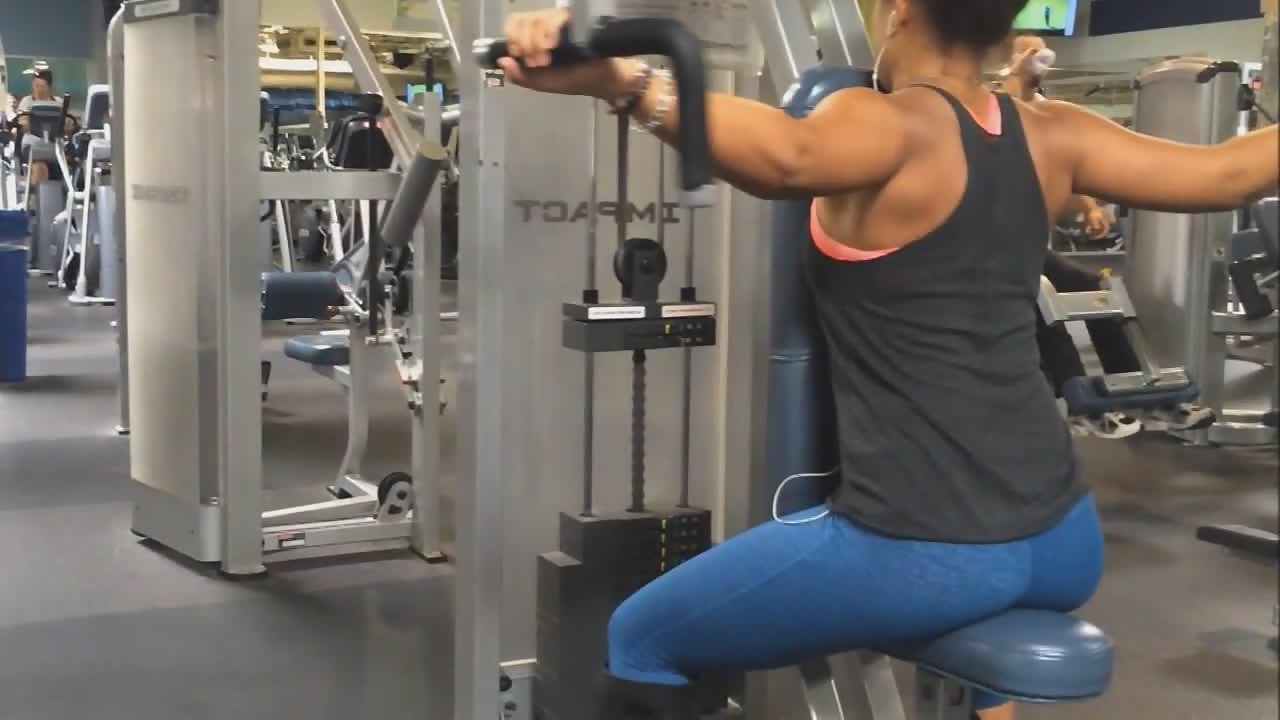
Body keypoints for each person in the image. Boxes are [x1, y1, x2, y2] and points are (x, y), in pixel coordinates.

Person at [498, 1, 1279, 718]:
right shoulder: (1056, 134)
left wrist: (623, 81)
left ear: (899, 11)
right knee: (969, 624)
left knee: (640, 638)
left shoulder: (889, 123)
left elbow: (789, 155)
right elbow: (1229, 173)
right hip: (1062, 537)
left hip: (925, 547)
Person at [1003, 35, 1214, 438]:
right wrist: (1017, 76)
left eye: (1039, 51)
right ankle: (1074, 399)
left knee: (1094, 288)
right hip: (983, 250)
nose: (1035, 58)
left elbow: (1066, 165)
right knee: (1040, 294)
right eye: (1026, 51)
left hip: (1025, 244)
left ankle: (1141, 390)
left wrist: (1089, 207)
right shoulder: (994, 105)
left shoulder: (1045, 111)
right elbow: (1005, 120)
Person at [17, 69, 62, 187]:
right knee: (39, 167)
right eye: (36, 86)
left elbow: (68, 123)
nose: (38, 90)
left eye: (42, 86)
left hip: (55, 147)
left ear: (49, 88)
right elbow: (21, 122)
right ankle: (36, 197)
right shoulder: (27, 101)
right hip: (33, 146)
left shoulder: (58, 102)